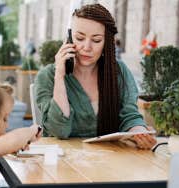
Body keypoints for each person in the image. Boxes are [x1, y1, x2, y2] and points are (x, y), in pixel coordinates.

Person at [35, 4, 156, 150]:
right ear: (69, 38)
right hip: (62, 161)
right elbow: (59, 130)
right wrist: (59, 75)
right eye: (79, 38)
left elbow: (130, 115)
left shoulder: (119, 71)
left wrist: (139, 133)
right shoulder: (47, 76)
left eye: (97, 40)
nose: (87, 47)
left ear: (107, 43)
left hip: (110, 159)